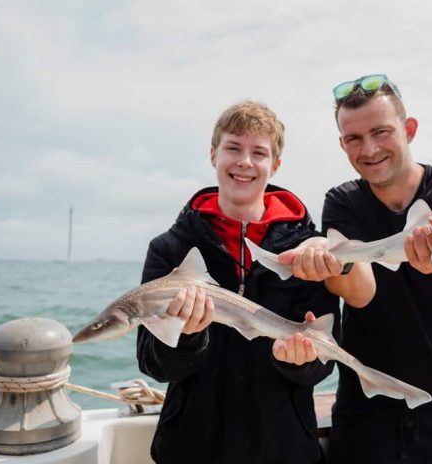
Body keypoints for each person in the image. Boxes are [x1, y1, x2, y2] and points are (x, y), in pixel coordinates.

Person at [278, 75, 432, 463]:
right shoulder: (343, 200)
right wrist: (326, 259)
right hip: (369, 410)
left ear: (409, 129)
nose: (368, 149)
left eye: (381, 132)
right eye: (353, 138)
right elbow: (361, 289)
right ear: (342, 144)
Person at [136, 101, 340, 464]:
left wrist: (297, 361)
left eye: (258, 153)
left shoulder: (307, 252)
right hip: (190, 449)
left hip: (285, 451)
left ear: (274, 165)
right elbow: (152, 364)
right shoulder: (170, 249)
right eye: (233, 148)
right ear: (214, 154)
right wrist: (187, 337)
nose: (245, 161)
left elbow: (322, 365)